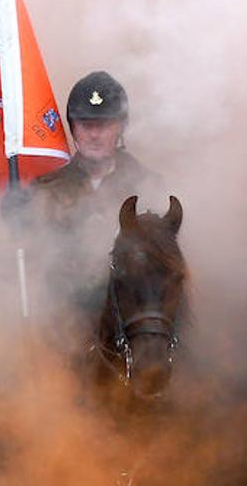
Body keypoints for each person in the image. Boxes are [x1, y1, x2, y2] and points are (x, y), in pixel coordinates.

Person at [12, 70, 168, 326]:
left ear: (121, 127)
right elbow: (24, 267)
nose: (94, 135)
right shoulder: (44, 191)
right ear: (72, 128)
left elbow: (165, 270)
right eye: (86, 125)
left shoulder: (149, 186)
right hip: (62, 325)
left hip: (133, 328)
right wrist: (14, 219)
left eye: (104, 125)